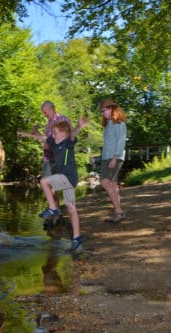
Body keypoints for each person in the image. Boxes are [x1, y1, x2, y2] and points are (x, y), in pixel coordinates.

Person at [26, 118, 90, 251]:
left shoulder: (68, 143)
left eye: (55, 133)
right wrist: (28, 133)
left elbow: (72, 134)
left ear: (63, 133)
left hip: (69, 177)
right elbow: (42, 138)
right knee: (71, 207)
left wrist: (78, 127)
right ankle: (77, 238)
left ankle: (53, 208)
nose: (53, 136)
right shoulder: (54, 144)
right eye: (52, 133)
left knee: (44, 181)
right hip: (66, 180)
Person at [18, 101, 71, 178]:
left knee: (53, 184)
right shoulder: (49, 124)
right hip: (48, 157)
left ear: (52, 109)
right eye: (43, 112)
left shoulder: (62, 119)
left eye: (45, 112)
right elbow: (45, 140)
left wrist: (28, 135)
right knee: (48, 185)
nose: (44, 115)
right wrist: (35, 132)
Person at [98, 98, 127, 223]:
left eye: (104, 110)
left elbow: (121, 142)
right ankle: (118, 213)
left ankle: (119, 211)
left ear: (111, 109)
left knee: (104, 182)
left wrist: (114, 158)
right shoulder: (107, 124)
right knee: (113, 185)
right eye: (101, 111)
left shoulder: (119, 123)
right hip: (106, 157)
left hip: (115, 157)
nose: (102, 113)